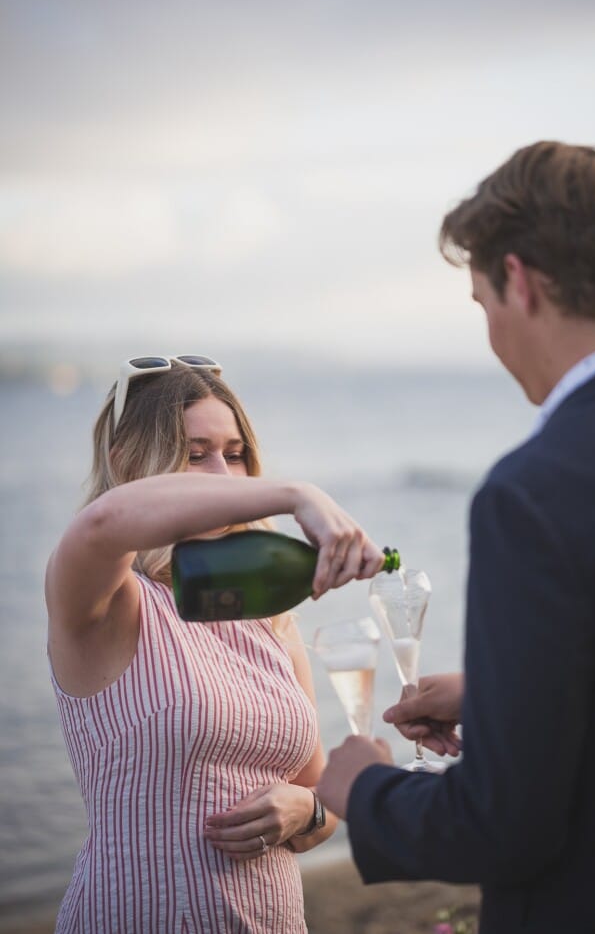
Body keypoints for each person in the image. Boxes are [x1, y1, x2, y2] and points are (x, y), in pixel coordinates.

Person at [316, 141, 595, 933]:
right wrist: (499, 696)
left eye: (481, 303)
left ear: (520, 281)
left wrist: (365, 788)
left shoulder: (532, 490)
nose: (492, 335)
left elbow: (503, 826)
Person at [45, 355, 388, 933]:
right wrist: (298, 494)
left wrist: (307, 811)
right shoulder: (102, 603)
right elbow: (105, 524)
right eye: (194, 453)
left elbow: (317, 797)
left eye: (234, 454)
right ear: (126, 463)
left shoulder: (269, 618)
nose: (223, 477)